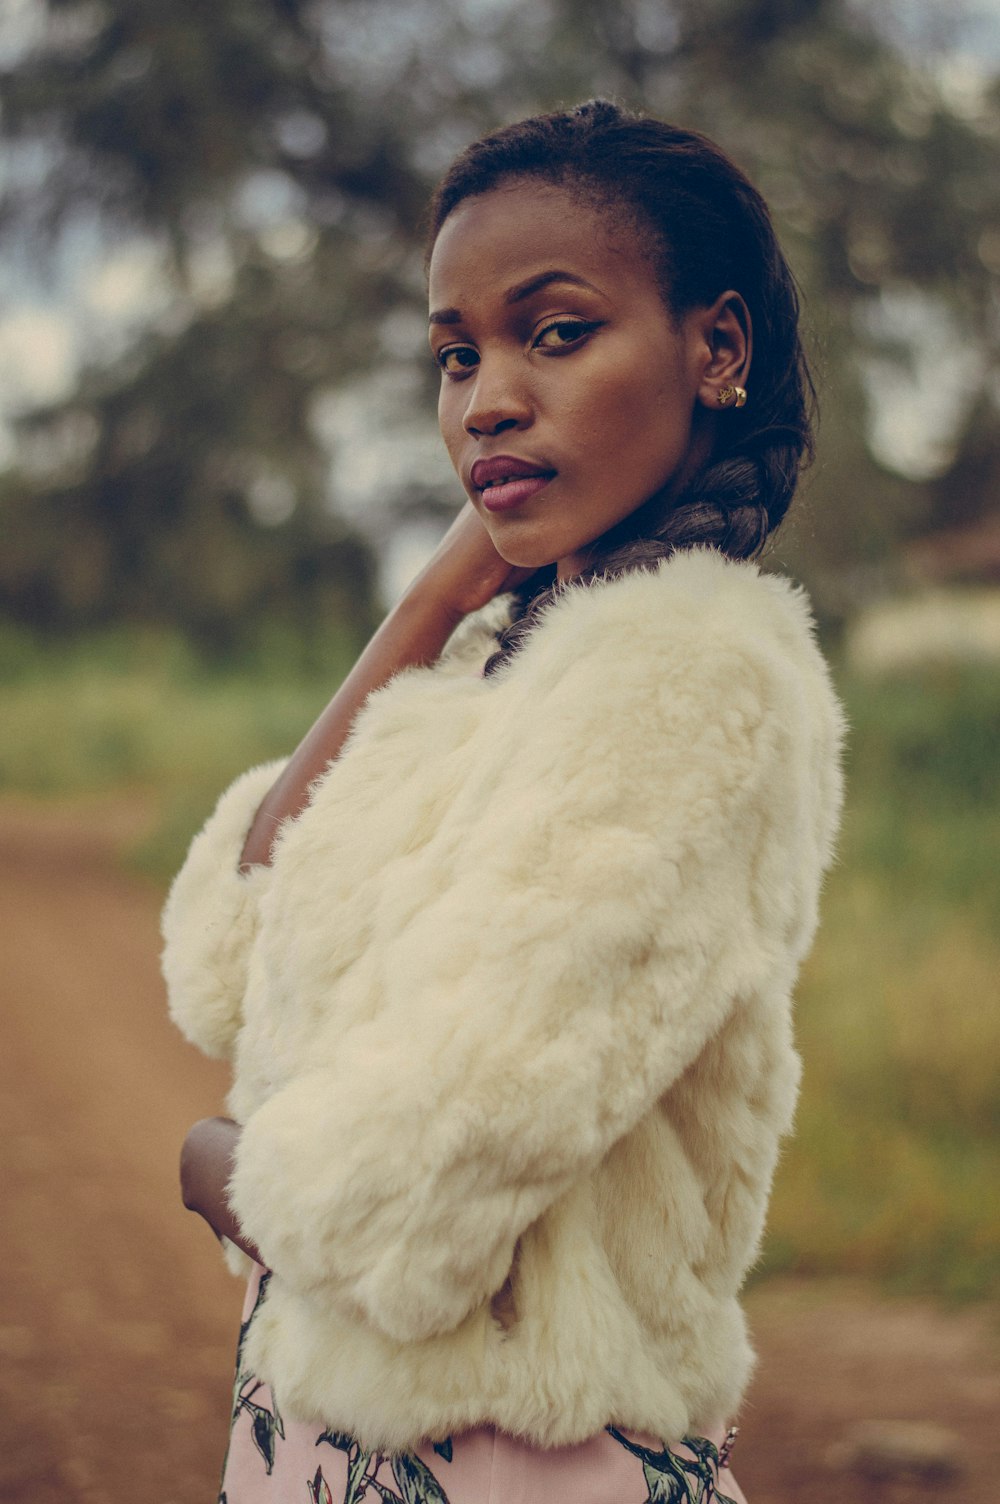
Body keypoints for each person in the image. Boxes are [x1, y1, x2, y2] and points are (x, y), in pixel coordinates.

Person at [162, 100, 844, 1504]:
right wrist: (433, 597)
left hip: (527, 1461)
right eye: (455, 354)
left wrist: (215, 1163)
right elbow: (227, 954)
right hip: (347, 1432)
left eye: (556, 331)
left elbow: (424, 1181)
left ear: (714, 349)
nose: (483, 400)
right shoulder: (501, 660)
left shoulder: (694, 675)